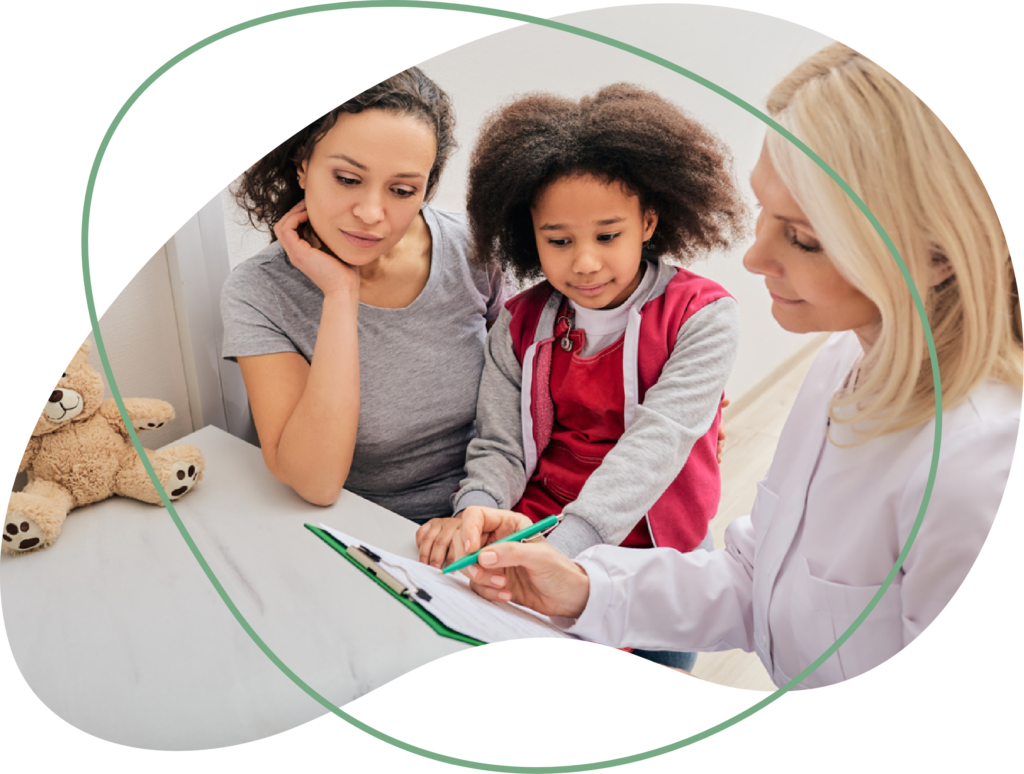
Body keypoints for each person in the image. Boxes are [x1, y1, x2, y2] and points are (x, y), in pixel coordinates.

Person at [445, 42, 1023, 687]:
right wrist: (581, 588)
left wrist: (577, 544)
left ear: (937, 252)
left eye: (802, 236)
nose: (754, 259)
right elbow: (755, 578)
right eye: (764, 215)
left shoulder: (977, 469)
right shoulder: (840, 366)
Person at [414, 84, 749, 672]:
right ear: (529, 235)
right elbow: (498, 443)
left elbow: (657, 443)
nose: (585, 261)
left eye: (607, 234)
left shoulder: (704, 316)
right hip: (538, 531)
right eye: (559, 240)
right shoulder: (518, 324)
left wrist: (566, 547)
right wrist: (476, 506)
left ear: (649, 220)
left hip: (657, 547)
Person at [220, 67, 509, 522]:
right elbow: (315, 481)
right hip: (362, 532)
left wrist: (482, 509)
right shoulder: (259, 292)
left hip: (492, 510)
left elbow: (521, 406)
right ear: (302, 165)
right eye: (348, 179)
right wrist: (339, 295)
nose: (371, 213)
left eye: (401, 190)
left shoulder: (474, 251)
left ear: (425, 190)